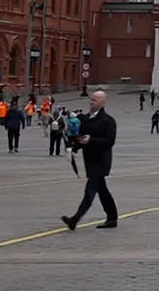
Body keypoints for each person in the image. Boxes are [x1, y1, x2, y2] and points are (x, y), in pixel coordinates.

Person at [61, 91, 118, 230]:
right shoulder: (85, 119)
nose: (91, 102)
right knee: (102, 191)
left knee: (90, 190)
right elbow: (80, 137)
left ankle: (75, 219)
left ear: (102, 102)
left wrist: (91, 140)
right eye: (91, 99)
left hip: (101, 161)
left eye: (95, 100)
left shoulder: (108, 121)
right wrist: (74, 147)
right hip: (90, 161)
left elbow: (110, 141)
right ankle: (112, 218)